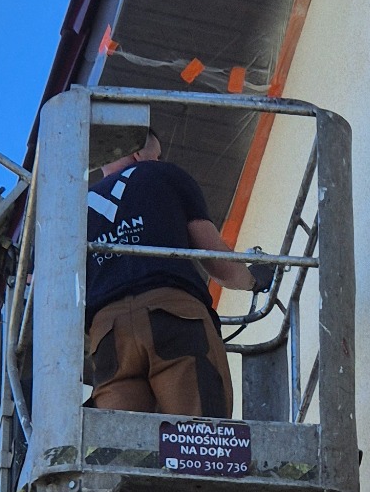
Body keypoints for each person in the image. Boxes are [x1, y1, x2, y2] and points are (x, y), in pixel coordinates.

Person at [84, 125, 271, 416]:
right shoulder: (162, 175)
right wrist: (254, 280)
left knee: (124, 450)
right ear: (137, 152)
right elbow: (218, 263)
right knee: (202, 443)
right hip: (174, 317)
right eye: (155, 155)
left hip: (108, 337)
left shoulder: (73, 208)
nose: (158, 161)